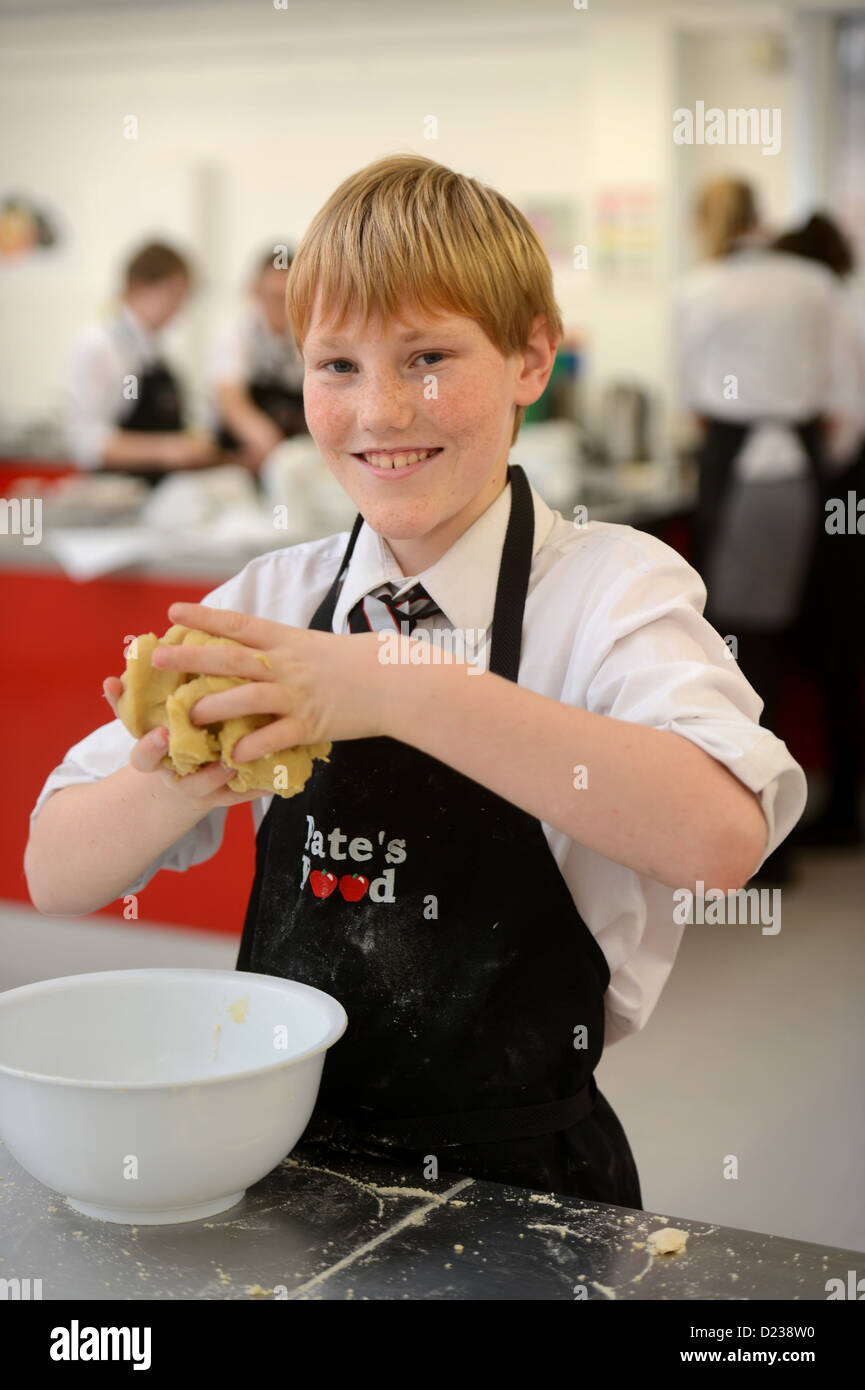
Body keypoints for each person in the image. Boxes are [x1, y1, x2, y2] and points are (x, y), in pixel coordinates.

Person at [26, 156, 806, 1206]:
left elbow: (718, 840)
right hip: (275, 1171)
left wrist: (393, 682)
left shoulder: (610, 592)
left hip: (527, 1188)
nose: (382, 410)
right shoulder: (271, 599)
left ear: (532, 356)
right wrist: (181, 775)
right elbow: (58, 872)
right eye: (335, 366)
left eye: (429, 356)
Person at [675, 178, 862, 882]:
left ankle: (766, 840)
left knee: (743, 649)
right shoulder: (815, 284)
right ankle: (837, 812)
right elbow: (848, 399)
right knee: (828, 642)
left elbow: (690, 392)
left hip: (741, 470)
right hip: (816, 473)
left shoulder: (699, 288)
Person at [772, 213, 865, 847]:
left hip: (844, 496)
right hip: (844, 493)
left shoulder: (832, 315)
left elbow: (845, 419)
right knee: (839, 650)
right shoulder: (845, 307)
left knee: (835, 648)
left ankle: (839, 810)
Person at [65, 241, 218, 485]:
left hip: (159, 492)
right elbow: (87, 443)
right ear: (138, 287)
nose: (180, 309)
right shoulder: (98, 345)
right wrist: (167, 449)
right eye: (174, 295)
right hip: (116, 494)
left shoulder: (159, 353)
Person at [207, 246, 306, 470]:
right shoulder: (234, 336)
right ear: (254, 292)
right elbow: (231, 401)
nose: (280, 307)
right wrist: (271, 444)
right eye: (273, 297)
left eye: (288, 298)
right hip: (237, 459)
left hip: (290, 457)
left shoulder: (303, 339)